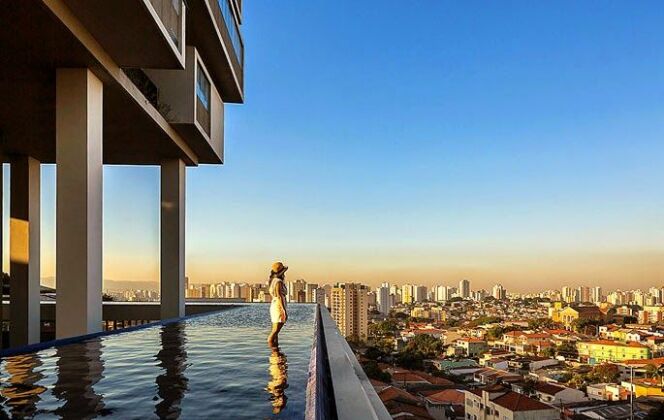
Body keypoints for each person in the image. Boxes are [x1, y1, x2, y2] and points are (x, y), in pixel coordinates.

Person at [267, 261, 288, 347]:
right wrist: (284, 311)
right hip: (278, 306)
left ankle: (276, 352)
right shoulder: (278, 282)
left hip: (275, 305)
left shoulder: (273, 281)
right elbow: (280, 296)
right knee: (275, 331)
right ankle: (272, 349)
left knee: (275, 331)